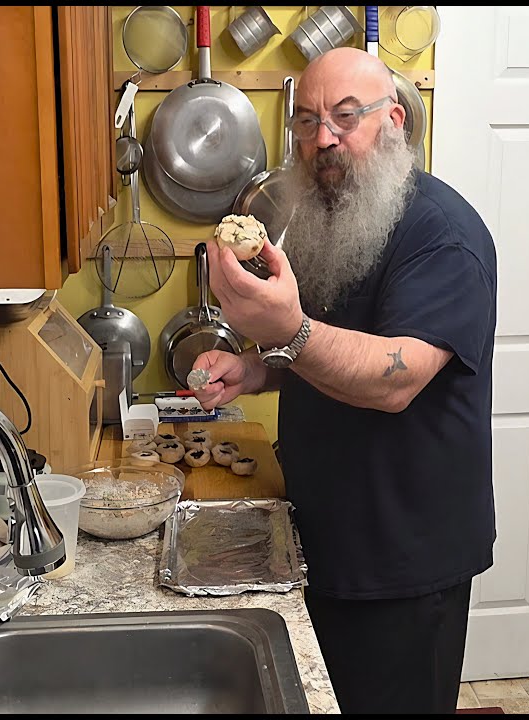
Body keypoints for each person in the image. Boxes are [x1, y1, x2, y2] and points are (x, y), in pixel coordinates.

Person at [192, 47, 497, 714]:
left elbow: (396, 379)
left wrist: (287, 332)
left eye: (344, 117)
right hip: (327, 533)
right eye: (305, 120)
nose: (322, 137)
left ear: (394, 121)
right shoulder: (327, 219)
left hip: (403, 558)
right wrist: (255, 366)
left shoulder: (441, 236)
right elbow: (326, 345)